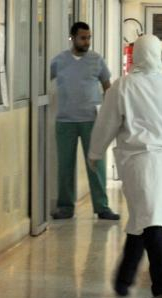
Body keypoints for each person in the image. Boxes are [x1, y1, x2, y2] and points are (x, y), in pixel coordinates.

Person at [88, 34, 162, 298]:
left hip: (140, 161)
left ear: (136, 56)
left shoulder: (124, 86)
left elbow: (107, 123)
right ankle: (123, 280)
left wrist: (94, 152)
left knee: (151, 221)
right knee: (143, 217)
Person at [50, 22, 119, 220]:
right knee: (65, 166)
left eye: (89, 37)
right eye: (83, 38)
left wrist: (109, 113)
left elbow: (108, 87)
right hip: (65, 121)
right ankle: (65, 207)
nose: (86, 41)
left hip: (91, 120)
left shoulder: (96, 60)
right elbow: (41, 83)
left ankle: (102, 207)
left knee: (96, 163)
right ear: (72, 38)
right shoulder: (59, 61)